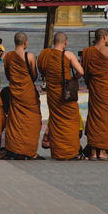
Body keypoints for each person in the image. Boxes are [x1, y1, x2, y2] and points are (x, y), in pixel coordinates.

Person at [37, 32, 84, 160]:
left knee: (56, 121)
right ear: (65, 43)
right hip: (65, 94)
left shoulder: (44, 54)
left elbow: (40, 69)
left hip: (52, 94)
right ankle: (70, 152)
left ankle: (58, 152)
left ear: (53, 42)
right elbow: (81, 71)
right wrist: (73, 77)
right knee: (71, 121)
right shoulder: (68, 55)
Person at [4, 32, 44, 160]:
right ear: (25, 42)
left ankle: (14, 150)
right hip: (28, 94)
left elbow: (8, 75)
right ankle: (30, 152)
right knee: (32, 121)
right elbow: (34, 76)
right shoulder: (30, 56)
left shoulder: (8, 56)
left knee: (15, 121)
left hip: (15, 92)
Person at [82, 28, 108, 160]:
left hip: (94, 88)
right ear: (104, 37)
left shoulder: (87, 52)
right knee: (106, 119)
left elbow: (85, 72)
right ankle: (102, 151)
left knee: (94, 117)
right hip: (106, 88)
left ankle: (93, 151)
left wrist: (90, 84)